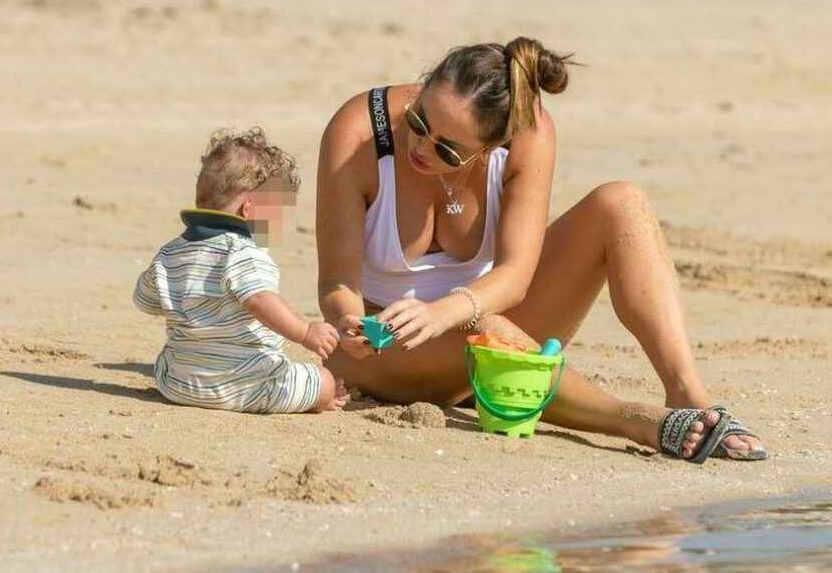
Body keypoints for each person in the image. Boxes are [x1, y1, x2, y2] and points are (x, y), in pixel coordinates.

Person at [315, 38, 767, 462]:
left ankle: (688, 392)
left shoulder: (528, 132)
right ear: (424, 85)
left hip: (488, 326)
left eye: (449, 152)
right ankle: (632, 420)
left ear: (492, 146)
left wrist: (442, 314)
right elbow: (336, 282)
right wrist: (351, 322)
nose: (421, 147)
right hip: (389, 352)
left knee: (622, 203)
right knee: (485, 325)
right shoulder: (359, 132)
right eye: (418, 122)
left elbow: (515, 276)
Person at [134, 127, 347, 415]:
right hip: (247, 384)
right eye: (278, 211)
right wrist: (305, 331)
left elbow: (145, 301)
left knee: (170, 358)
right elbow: (258, 299)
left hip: (178, 384)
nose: (281, 223)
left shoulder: (171, 252)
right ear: (248, 209)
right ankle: (322, 398)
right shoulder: (243, 253)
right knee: (324, 380)